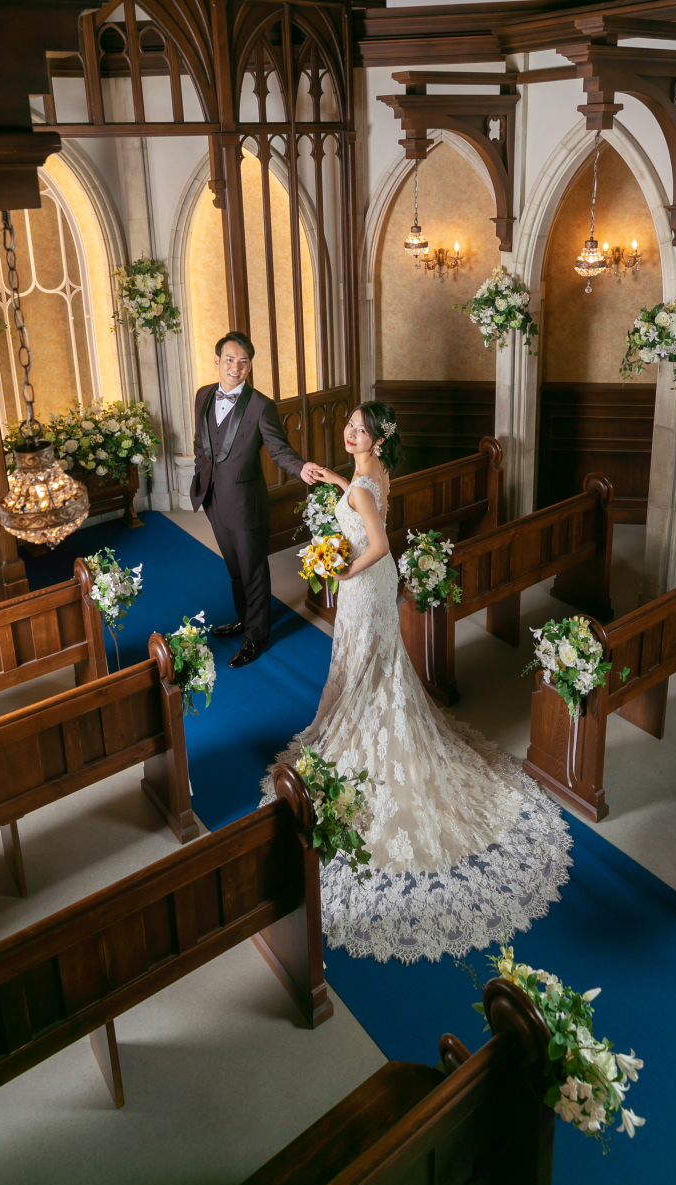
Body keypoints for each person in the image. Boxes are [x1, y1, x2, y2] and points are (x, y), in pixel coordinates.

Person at [263, 402, 572, 964]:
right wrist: (334, 477)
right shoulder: (373, 474)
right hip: (380, 583)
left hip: (367, 580)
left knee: (365, 664)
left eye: (360, 428)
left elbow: (378, 544)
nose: (350, 431)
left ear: (377, 441)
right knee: (377, 664)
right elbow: (366, 496)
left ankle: (369, 743)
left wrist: (339, 571)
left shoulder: (363, 487)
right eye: (351, 424)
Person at [191, 331, 321, 668]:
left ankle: (257, 636)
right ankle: (244, 619)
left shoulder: (262, 406)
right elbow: (200, 442)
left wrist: (302, 467)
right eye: (230, 359)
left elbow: (279, 450)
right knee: (235, 568)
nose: (236, 367)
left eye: (244, 362)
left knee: (253, 571)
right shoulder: (203, 395)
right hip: (212, 498)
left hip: (245, 502)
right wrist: (199, 475)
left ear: (250, 366)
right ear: (217, 360)